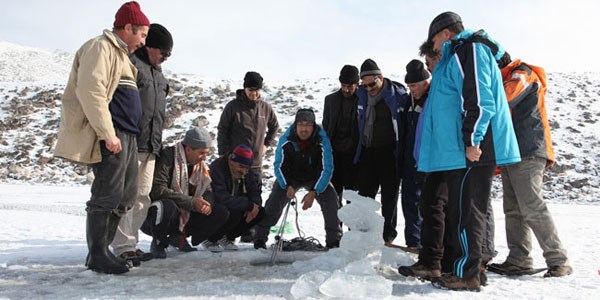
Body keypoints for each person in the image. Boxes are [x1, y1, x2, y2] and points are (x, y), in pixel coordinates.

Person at [416, 12, 521, 291]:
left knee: (467, 210)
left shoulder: (469, 50)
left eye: (434, 40)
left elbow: (478, 98)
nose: (434, 47)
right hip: (462, 147)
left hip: (473, 146)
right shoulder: (460, 53)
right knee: (464, 208)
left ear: (445, 34)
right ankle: (466, 269)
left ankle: (467, 274)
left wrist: (472, 140)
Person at [54, 1, 150, 274]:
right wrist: (108, 134)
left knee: (127, 195)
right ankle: (97, 254)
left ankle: (103, 250)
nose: (143, 41)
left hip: (128, 136)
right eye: (141, 34)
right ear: (128, 28)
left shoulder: (123, 57)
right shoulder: (100, 47)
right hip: (113, 134)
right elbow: (91, 91)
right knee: (107, 193)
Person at [489, 57, 572, 278]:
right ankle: (519, 259)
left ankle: (558, 259)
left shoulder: (521, 73)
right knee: (513, 208)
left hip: (528, 149)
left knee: (532, 205)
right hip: (511, 151)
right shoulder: (506, 76)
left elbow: (507, 97)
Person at [111, 23, 173, 266]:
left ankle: (131, 244)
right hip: (131, 142)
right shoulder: (131, 65)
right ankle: (121, 247)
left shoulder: (160, 76)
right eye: (163, 52)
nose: (165, 57)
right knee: (125, 196)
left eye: (169, 54)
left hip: (152, 145)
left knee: (142, 196)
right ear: (149, 46)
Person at [253, 109, 342, 249]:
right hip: (291, 178)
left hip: (315, 178)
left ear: (314, 127)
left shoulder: (322, 140)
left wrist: (314, 192)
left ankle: (333, 241)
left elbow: (327, 169)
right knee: (274, 203)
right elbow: (278, 166)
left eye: (308, 125)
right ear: (295, 125)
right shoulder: (286, 140)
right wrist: (287, 185)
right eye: (301, 124)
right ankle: (259, 239)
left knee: (331, 200)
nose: (304, 129)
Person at [141, 127, 229, 258]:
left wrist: (205, 204)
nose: (204, 158)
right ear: (188, 149)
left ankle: (179, 238)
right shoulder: (168, 157)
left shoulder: (200, 166)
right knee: (166, 205)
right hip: (156, 216)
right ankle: (159, 241)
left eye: (207, 154)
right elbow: (158, 189)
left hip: (186, 213)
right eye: (201, 153)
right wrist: (192, 202)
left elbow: (207, 190)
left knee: (221, 212)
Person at [354, 58, 408, 244]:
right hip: (368, 152)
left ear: (381, 77)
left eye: (372, 84)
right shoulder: (360, 95)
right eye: (365, 85)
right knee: (365, 197)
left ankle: (388, 236)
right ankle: (364, 235)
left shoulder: (397, 95)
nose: (369, 89)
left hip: (389, 153)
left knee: (389, 198)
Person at [217, 71, 280, 185]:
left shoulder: (265, 108)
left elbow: (274, 127)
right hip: (235, 163)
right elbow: (222, 129)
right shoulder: (233, 106)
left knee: (255, 198)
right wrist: (223, 153)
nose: (254, 94)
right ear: (244, 88)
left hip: (255, 163)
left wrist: (266, 145)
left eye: (257, 90)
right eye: (250, 90)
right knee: (232, 197)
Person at [203, 144, 265, 252]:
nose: (243, 171)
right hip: (215, 208)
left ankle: (226, 237)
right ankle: (210, 238)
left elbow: (255, 191)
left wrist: (254, 205)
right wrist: (248, 205)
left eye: (247, 168)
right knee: (231, 212)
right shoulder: (217, 168)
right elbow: (221, 198)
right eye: (240, 166)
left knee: (260, 212)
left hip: (236, 204)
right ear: (231, 160)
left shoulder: (246, 170)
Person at [399, 59, 430, 250]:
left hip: (427, 160)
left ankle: (429, 244)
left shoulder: (433, 99)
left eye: (414, 86)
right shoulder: (407, 101)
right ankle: (413, 242)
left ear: (425, 83)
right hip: (409, 159)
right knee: (409, 201)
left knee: (427, 204)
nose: (411, 89)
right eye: (409, 86)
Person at [322, 65, 360, 207]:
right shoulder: (330, 100)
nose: (346, 89)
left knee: (354, 202)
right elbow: (326, 127)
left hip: (354, 159)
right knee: (334, 201)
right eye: (343, 85)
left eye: (350, 86)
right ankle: (336, 229)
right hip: (335, 157)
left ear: (357, 84)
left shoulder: (363, 99)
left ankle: (353, 230)